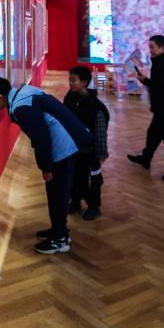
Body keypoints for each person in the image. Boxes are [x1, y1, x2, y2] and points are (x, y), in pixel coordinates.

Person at [0, 77, 92, 254]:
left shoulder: (21, 108)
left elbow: (41, 138)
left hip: (63, 146)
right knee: (56, 192)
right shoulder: (23, 93)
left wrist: (46, 166)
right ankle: (58, 230)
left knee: (57, 194)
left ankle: (60, 239)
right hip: (68, 139)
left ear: (0, 96)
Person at [128, 35, 164, 182]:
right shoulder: (162, 61)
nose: (150, 50)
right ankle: (146, 158)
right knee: (153, 133)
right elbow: (160, 84)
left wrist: (146, 81)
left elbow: (162, 86)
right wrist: (147, 81)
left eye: (152, 47)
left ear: (161, 47)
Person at [63, 66, 109, 221]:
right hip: (73, 149)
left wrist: (101, 152)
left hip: (89, 151)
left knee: (91, 180)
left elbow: (100, 131)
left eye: (73, 80)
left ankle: (94, 206)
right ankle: (75, 201)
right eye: (69, 80)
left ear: (84, 83)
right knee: (74, 176)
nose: (70, 83)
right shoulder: (70, 98)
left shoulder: (95, 106)